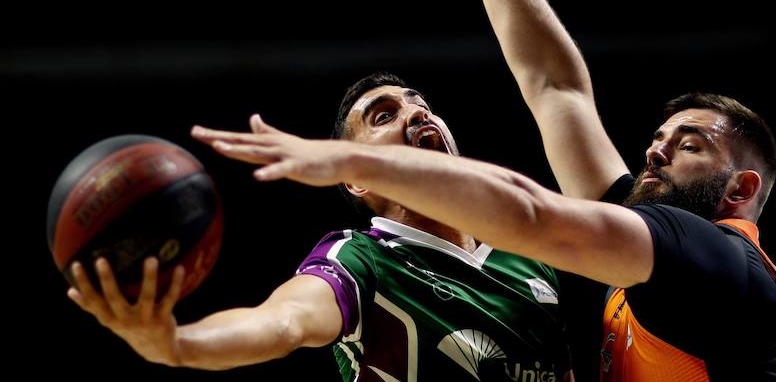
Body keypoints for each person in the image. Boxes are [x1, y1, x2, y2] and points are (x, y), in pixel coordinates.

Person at [195, 0, 776, 381]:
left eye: (690, 145)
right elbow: (556, 88)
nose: (654, 150)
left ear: (740, 188)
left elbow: (534, 214)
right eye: (660, 137)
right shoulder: (641, 232)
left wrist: (348, 156)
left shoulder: (719, 262)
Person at [67, 72, 575, 381]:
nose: (416, 112)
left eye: (419, 102)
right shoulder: (360, 259)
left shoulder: (532, 258)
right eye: (383, 115)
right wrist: (179, 345)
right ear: (354, 177)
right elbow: (283, 323)